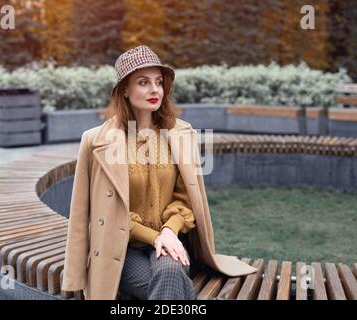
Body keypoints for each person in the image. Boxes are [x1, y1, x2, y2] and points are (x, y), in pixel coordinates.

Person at [61, 45, 257, 300]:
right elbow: (80, 215)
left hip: (172, 240)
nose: (155, 90)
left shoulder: (181, 134)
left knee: (169, 274)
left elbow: (186, 199)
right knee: (172, 284)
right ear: (124, 90)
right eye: (143, 82)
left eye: (158, 82)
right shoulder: (95, 141)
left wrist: (168, 231)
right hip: (121, 250)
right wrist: (74, 277)